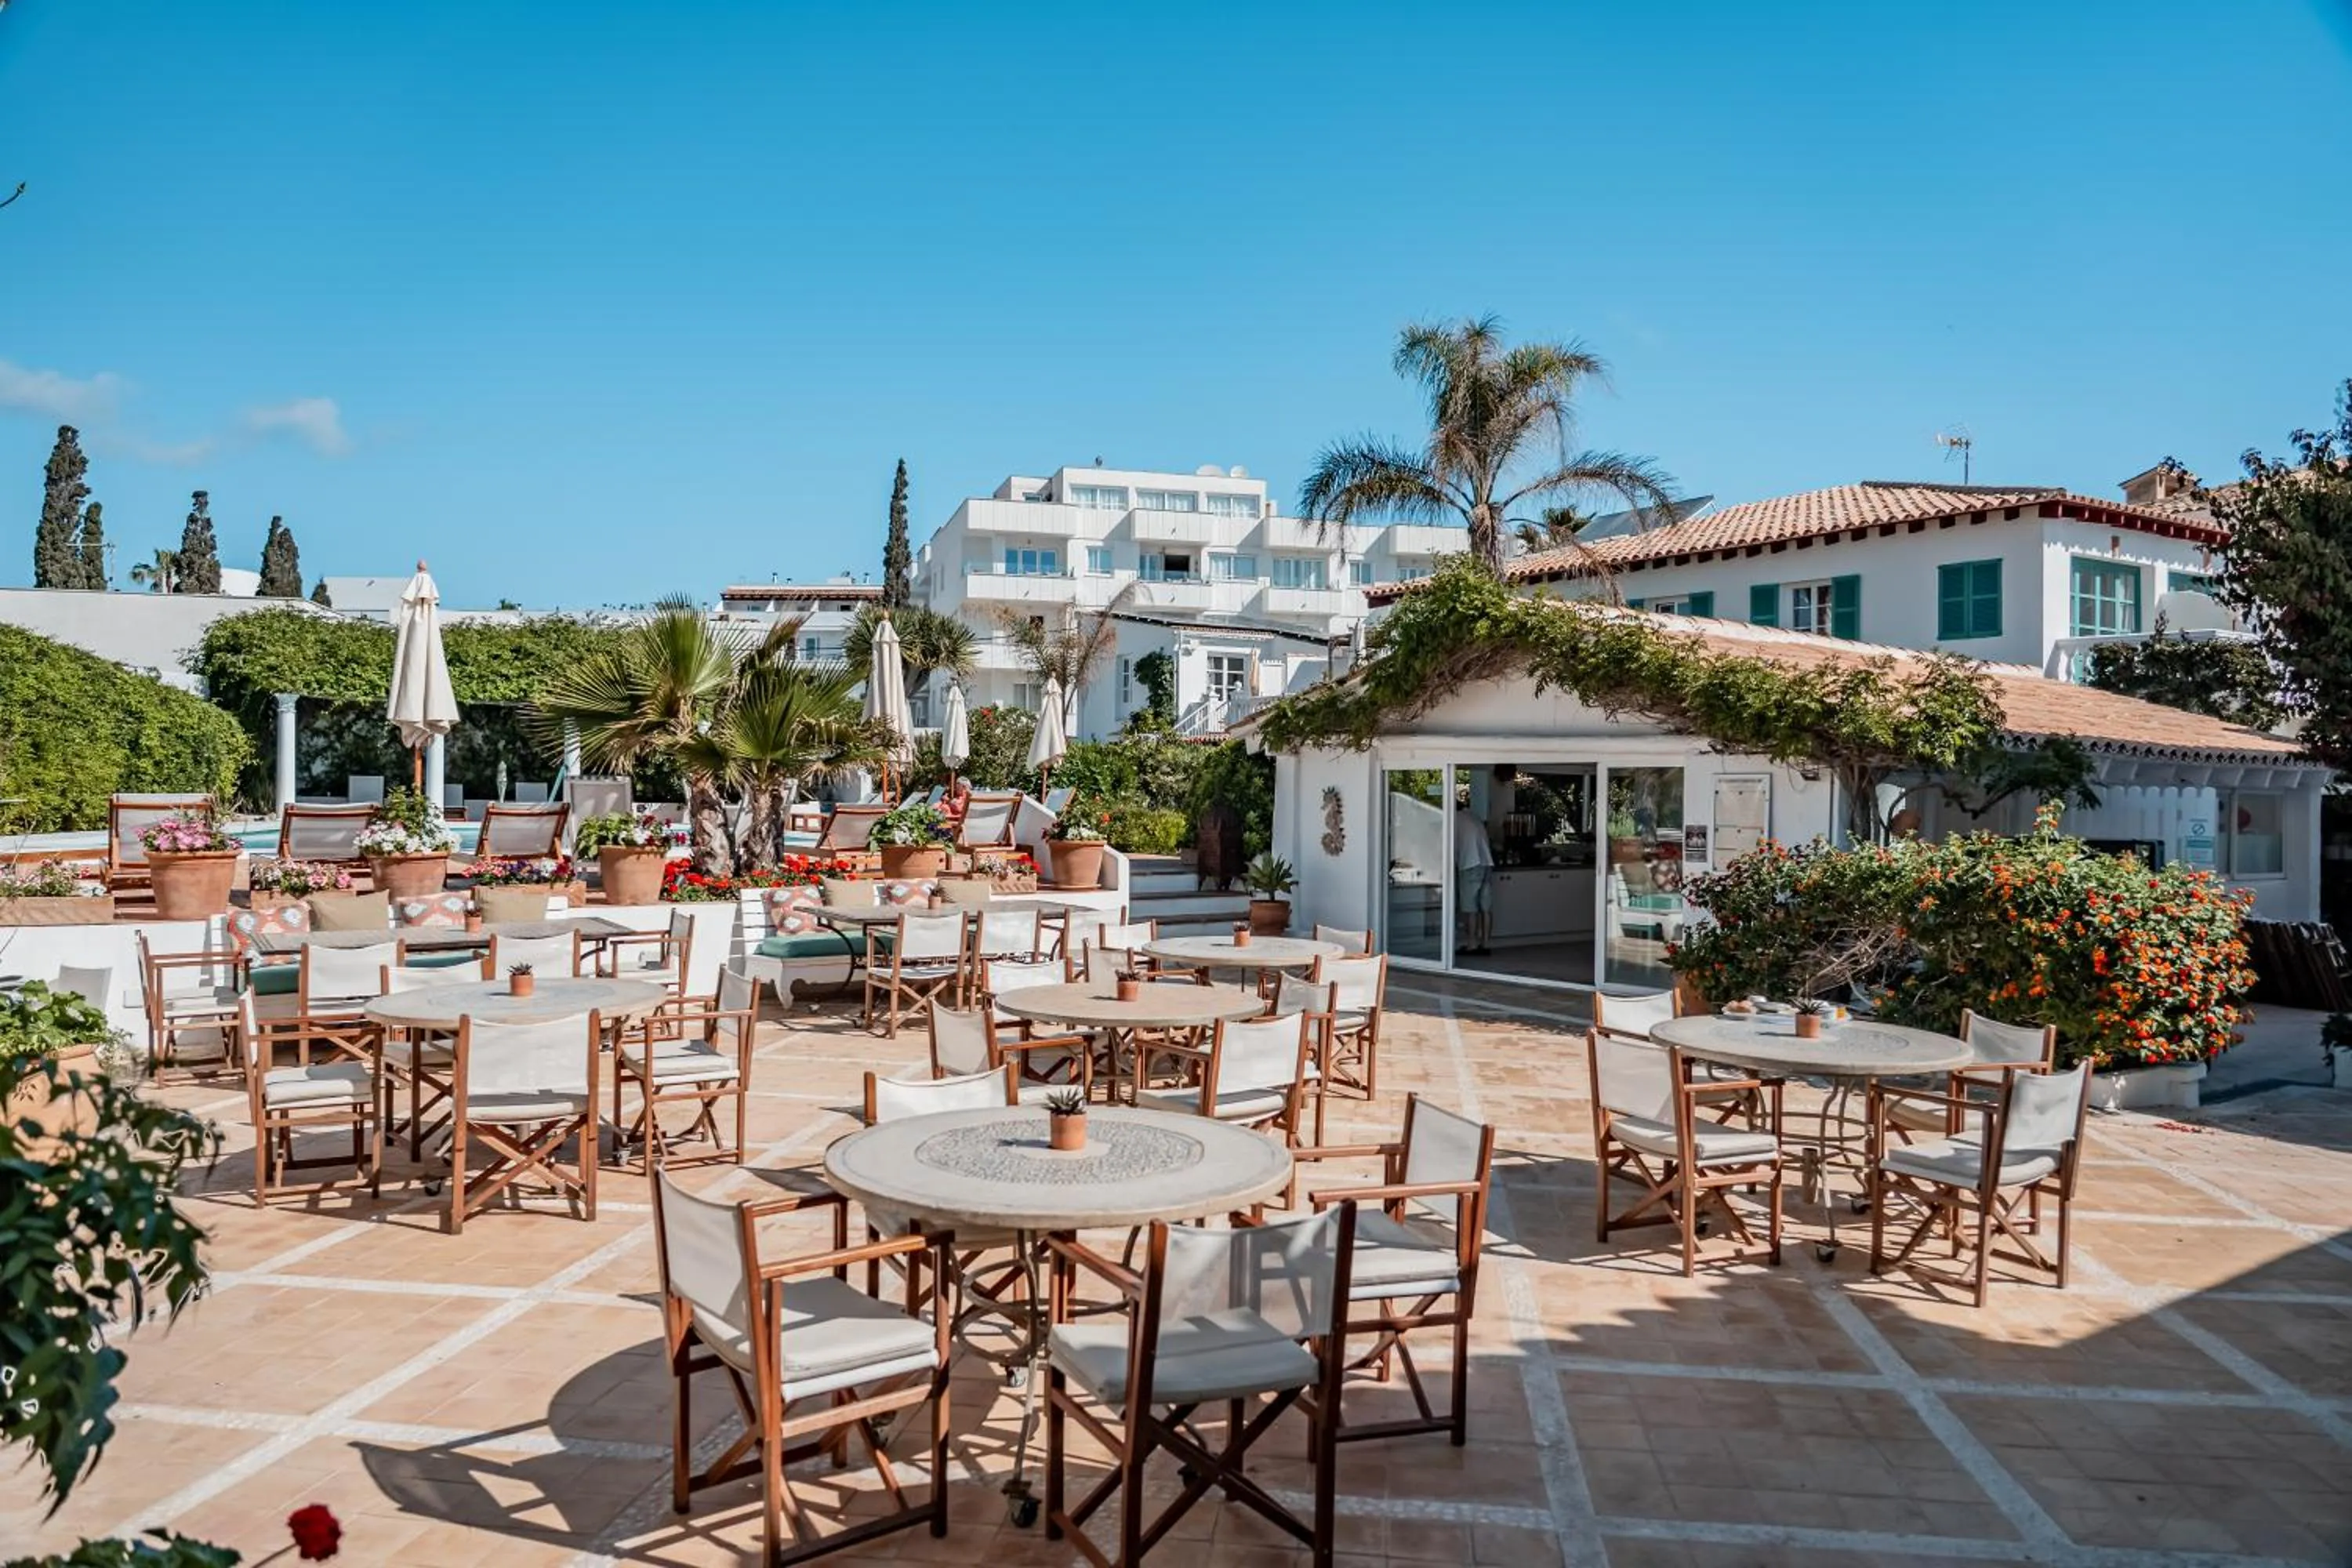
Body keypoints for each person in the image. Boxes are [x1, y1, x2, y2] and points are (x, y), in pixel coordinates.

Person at [1455, 800, 1494, 956]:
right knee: (1486, 908)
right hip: (1487, 864)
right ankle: (1485, 945)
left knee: (1470, 908)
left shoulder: (1454, 819)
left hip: (1470, 864)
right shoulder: (1473, 817)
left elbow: (1451, 846)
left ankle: (1471, 945)